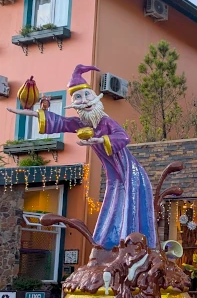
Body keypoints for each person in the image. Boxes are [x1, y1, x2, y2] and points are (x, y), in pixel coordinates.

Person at [7, 64, 157, 250]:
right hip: (116, 177)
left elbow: (124, 137)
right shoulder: (80, 123)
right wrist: (30, 113)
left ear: (95, 98)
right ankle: (110, 245)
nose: (84, 100)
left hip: (130, 173)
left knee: (131, 203)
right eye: (78, 97)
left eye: (87, 95)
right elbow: (60, 122)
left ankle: (135, 246)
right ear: (73, 103)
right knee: (114, 203)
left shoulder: (106, 122)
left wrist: (98, 139)